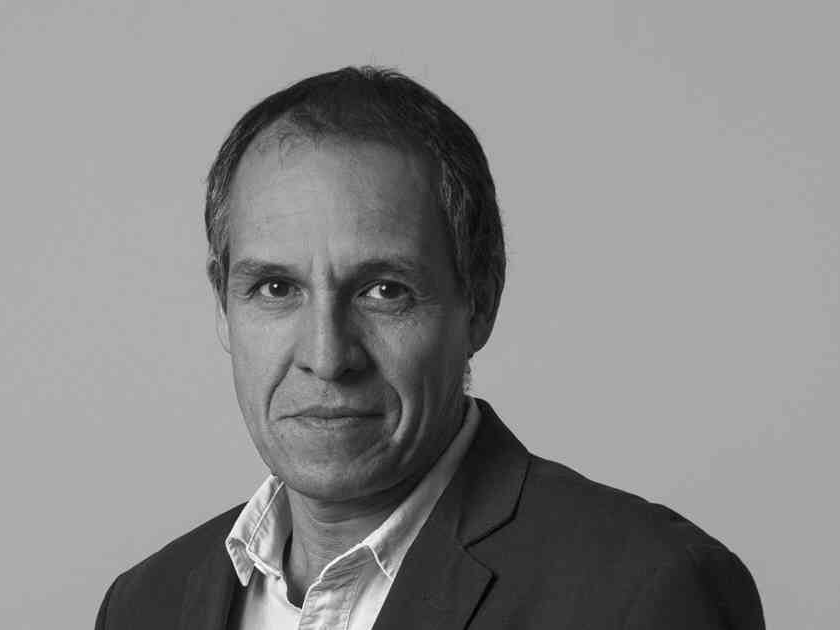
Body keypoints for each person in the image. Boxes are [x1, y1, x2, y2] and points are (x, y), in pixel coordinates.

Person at [95, 66, 765, 630]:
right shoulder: (144, 606)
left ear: (480, 302)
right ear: (224, 305)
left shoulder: (643, 593)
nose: (327, 356)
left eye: (384, 291)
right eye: (276, 288)